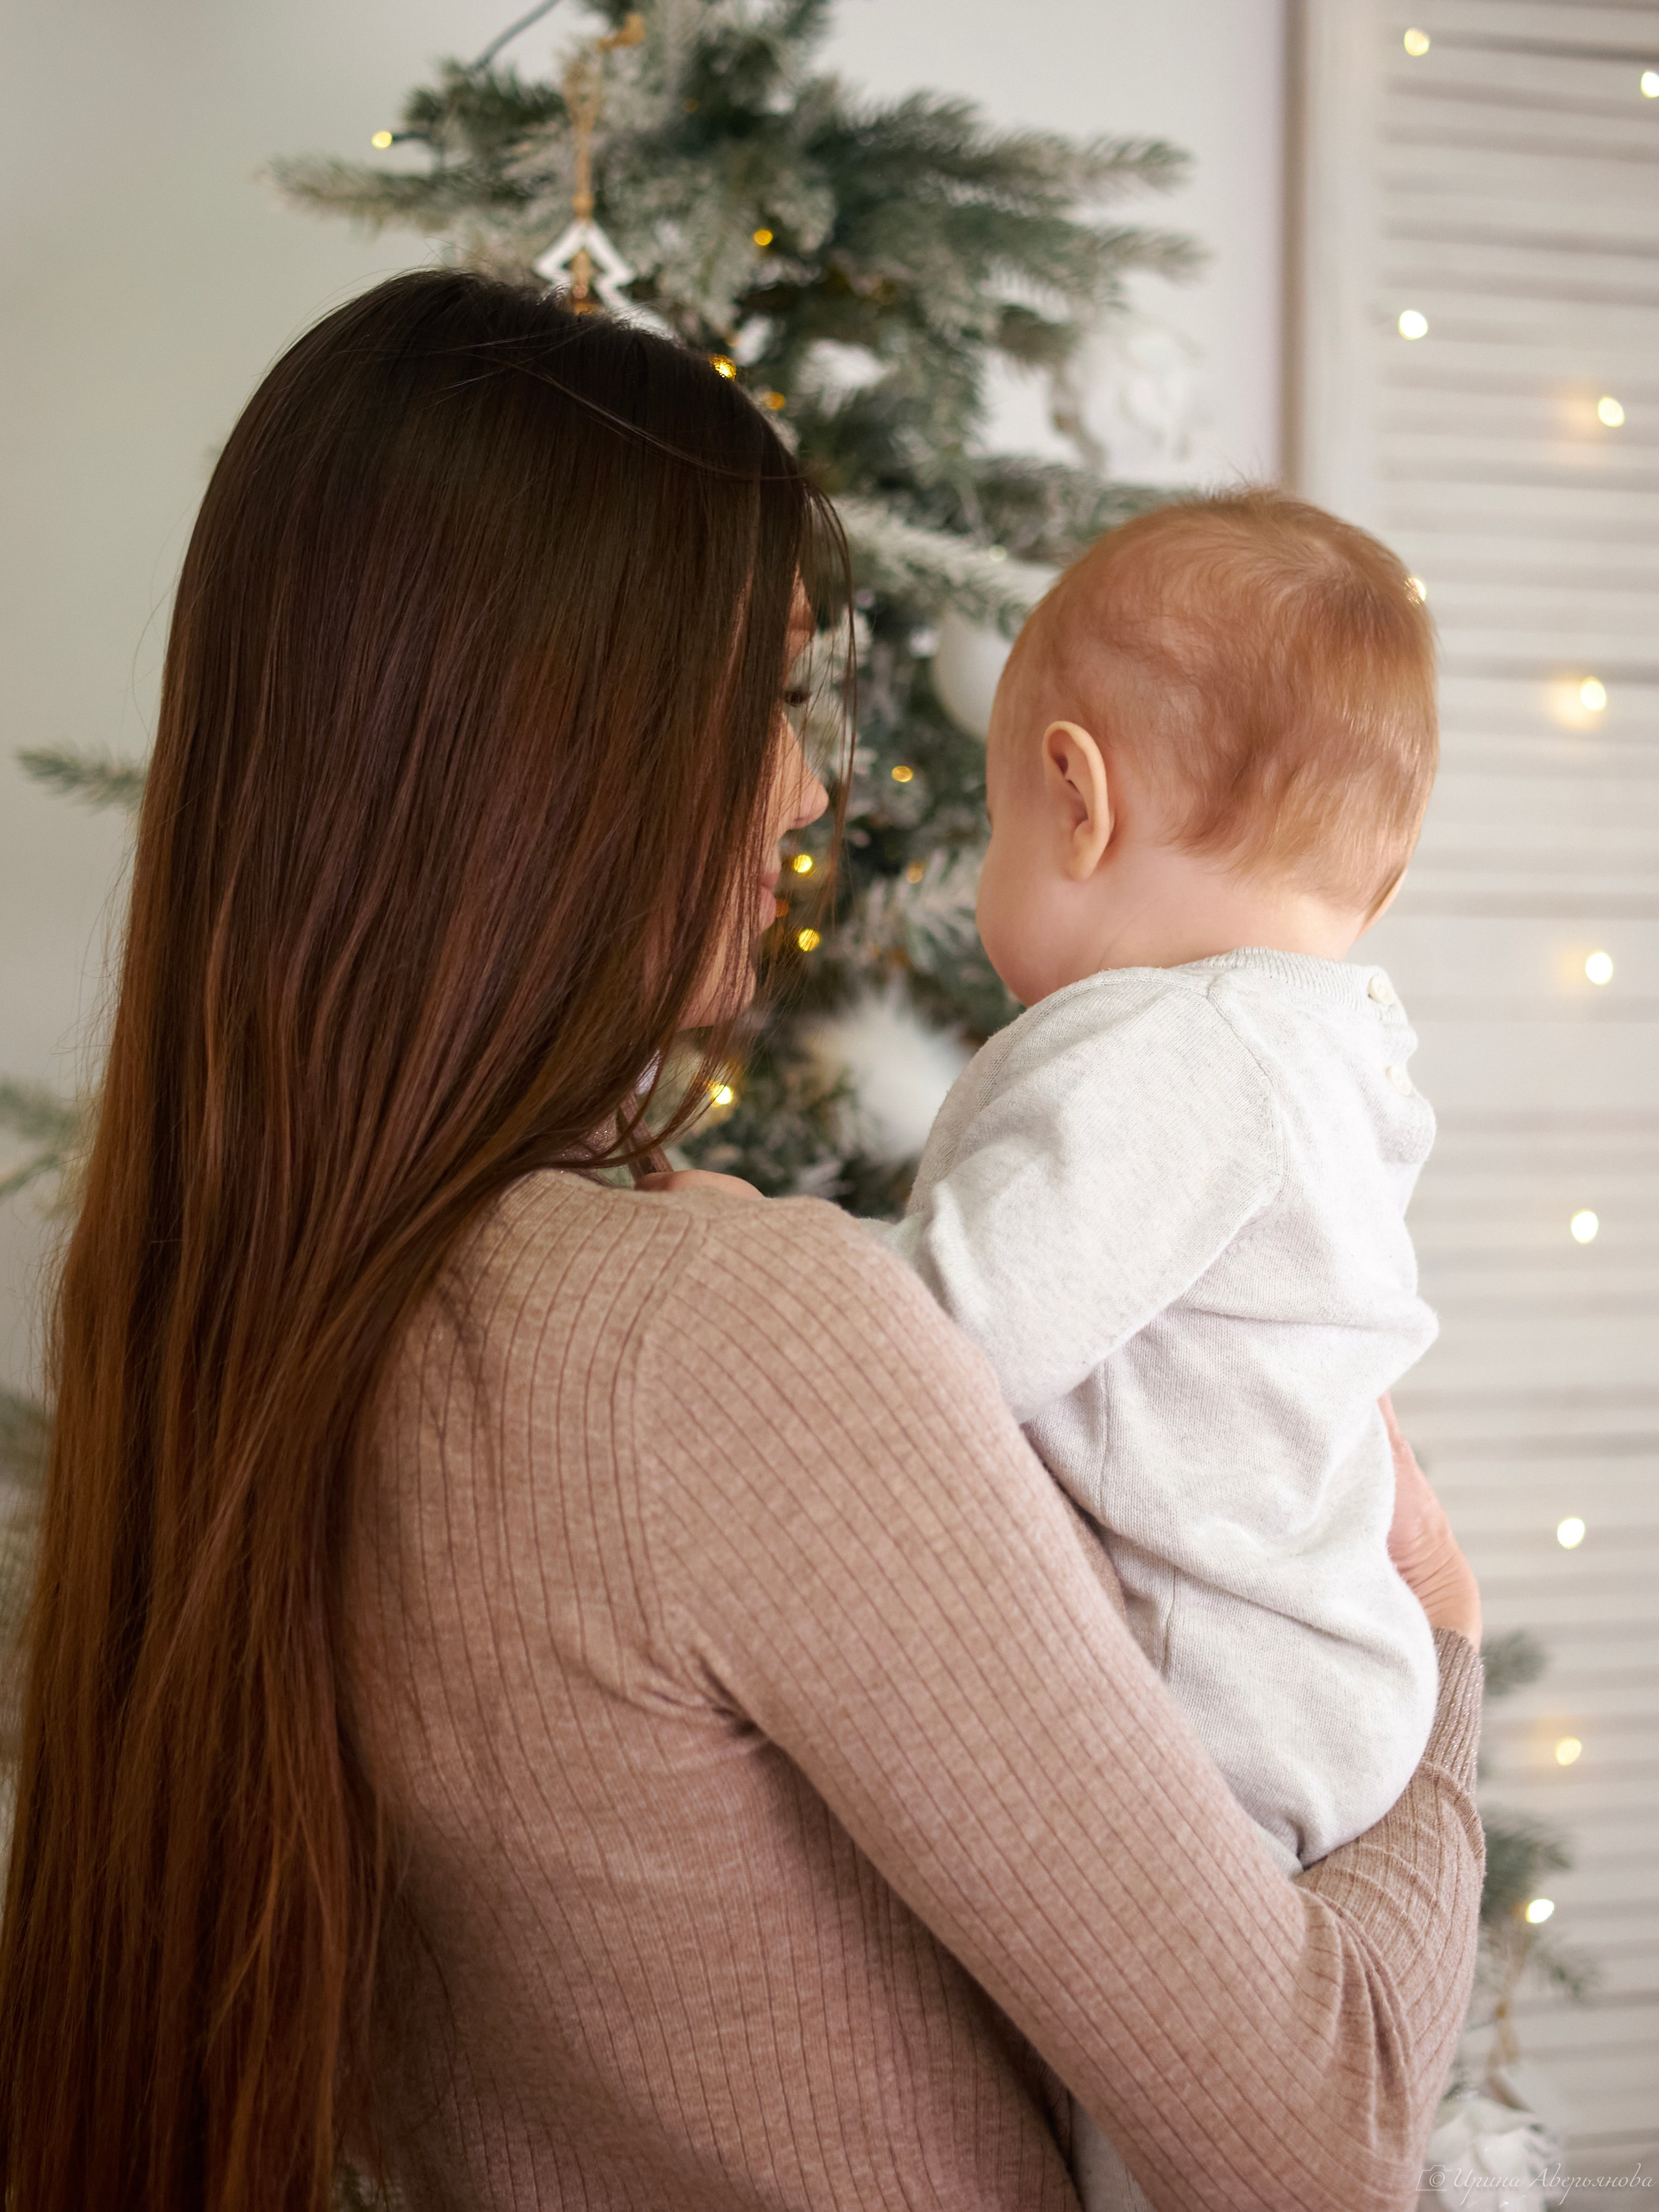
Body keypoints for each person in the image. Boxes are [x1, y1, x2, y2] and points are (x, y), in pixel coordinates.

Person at [0, 270, 1482, 2212]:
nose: (802, 793)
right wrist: (1440, 1658)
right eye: (758, 694)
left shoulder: (253, 1314)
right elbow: (1330, 2136)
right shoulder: (713, 1339)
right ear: (549, 746)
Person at [854, 493, 1446, 2209]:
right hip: (1312, 1651)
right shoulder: (1311, 1045)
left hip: (1217, 1691)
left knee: (1172, 2120)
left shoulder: (1190, 1055)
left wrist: (779, 1256)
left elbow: (954, 1332)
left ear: (1076, 796)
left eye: (987, 825)